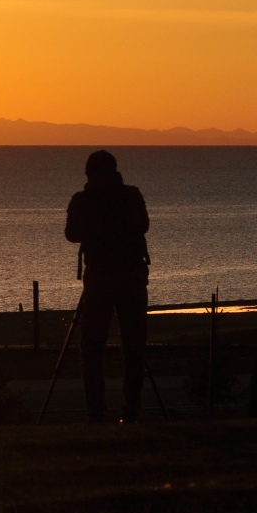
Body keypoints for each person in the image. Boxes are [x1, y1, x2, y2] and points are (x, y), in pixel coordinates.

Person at [65, 150, 150, 423]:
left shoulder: (83, 200)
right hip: (132, 278)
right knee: (134, 346)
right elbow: (144, 226)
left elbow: (71, 234)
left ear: (89, 174)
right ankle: (131, 410)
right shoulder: (131, 195)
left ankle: (96, 412)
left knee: (91, 348)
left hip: (100, 279)